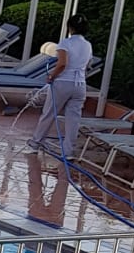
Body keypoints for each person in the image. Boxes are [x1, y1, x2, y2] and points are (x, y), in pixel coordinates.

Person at [28, 16, 94, 158]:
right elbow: (88, 64)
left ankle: (36, 143)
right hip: (80, 85)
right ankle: (69, 151)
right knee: (73, 119)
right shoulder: (88, 45)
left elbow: (62, 64)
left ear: (70, 28)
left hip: (63, 82)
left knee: (49, 113)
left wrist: (51, 76)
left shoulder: (65, 43)